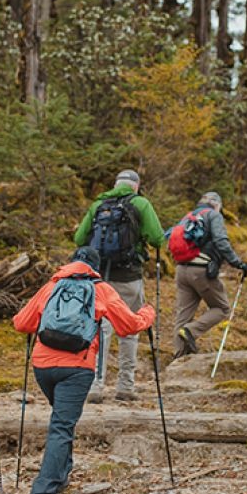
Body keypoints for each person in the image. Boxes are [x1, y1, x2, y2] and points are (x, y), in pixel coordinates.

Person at [12, 247, 156, 494]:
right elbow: (128, 326)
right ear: (95, 267)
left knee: (62, 421)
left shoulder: (51, 286)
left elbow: (21, 323)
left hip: (43, 366)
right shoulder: (100, 289)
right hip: (76, 368)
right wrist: (148, 313)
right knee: (62, 427)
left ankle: (61, 474)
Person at [72, 169, 164, 402]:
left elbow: (79, 239)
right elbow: (157, 238)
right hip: (129, 276)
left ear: (115, 184)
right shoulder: (141, 203)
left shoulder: (98, 205)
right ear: (136, 185)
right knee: (130, 328)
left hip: (100, 277)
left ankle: (95, 386)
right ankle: (125, 386)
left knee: (101, 329)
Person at [168, 191, 247, 359]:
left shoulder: (188, 216)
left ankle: (179, 358)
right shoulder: (213, 215)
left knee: (183, 314)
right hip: (201, 271)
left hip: (181, 270)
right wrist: (238, 263)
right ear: (217, 205)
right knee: (222, 308)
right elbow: (221, 241)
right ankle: (191, 331)